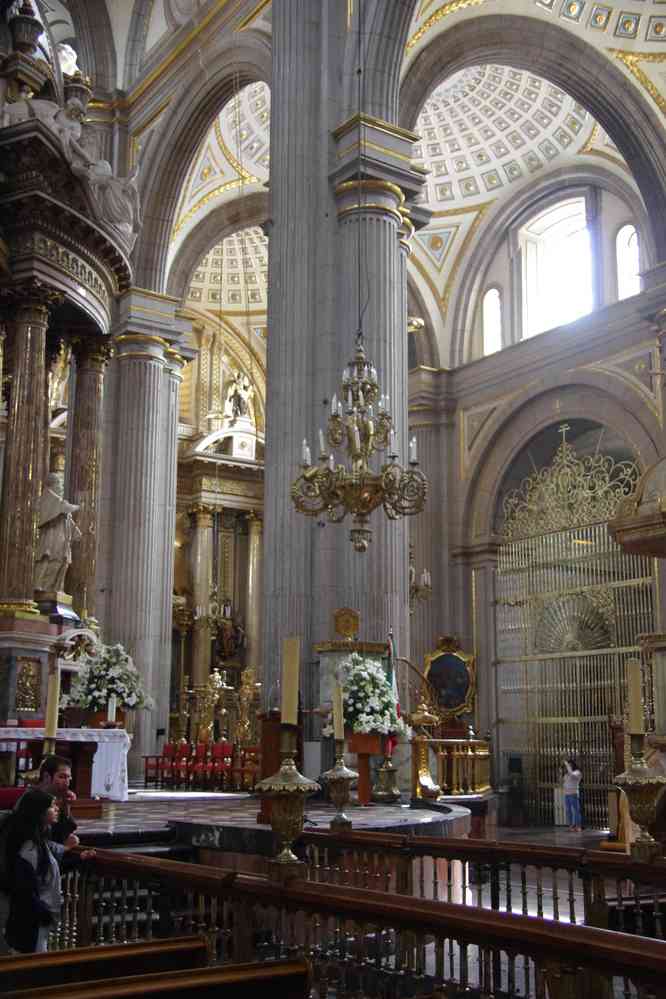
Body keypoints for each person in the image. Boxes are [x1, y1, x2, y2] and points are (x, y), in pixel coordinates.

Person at [2, 790, 93, 953]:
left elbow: (48, 871)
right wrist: (44, 914)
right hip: (30, 921)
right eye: (52, 806)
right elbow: (25, 889)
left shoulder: (38, 840)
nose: (56, 808)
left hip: (35, 919)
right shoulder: (28, 848)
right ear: (39, 812)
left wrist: (79, 860)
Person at [562, 757, 583, 832]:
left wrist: (566, 764)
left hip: (573, 793)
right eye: (568, 766)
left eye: (570, 765)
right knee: (568, 811)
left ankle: (578, 826)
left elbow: (572, 775)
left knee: (576, 810)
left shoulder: (577, 772)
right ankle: (570, 826)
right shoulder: (567, 774)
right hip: (567, 794)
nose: (568, 767)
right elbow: (564, 781)